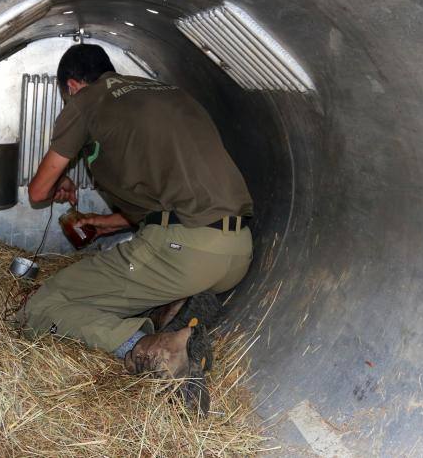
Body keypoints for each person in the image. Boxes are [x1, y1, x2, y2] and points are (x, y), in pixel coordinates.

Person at [16, 44, 254, 411]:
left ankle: (151, 349)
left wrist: (58, 178)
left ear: (73, 86)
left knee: (41, 306)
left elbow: (37, 191)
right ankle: (174, 311)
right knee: (141, 273)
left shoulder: (87, 100)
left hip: (183, 253)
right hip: (235, 252)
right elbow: (168, 201)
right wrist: (102, 224)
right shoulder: (168, 92)